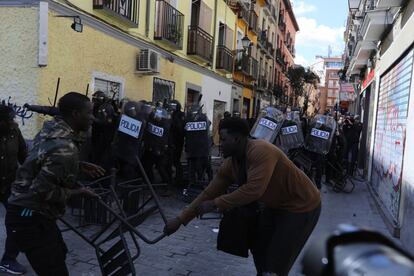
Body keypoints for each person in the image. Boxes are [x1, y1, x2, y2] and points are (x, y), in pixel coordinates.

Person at [164, 117, 321, 276]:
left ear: (237, 138)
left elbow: (253, 190)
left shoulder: (261, 150)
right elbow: (209, 192)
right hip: (275, 206)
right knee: (260, 251)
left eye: (224, 139)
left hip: (302, 206)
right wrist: (181, 219)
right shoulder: (231, 164)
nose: (220, 144)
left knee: (276, 262)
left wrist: (215, 204)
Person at [5, 92, 105, 275]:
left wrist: (78, 166)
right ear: (75, 114)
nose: (93, 118)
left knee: (59, 253)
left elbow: (43, 158)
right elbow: (41, 192)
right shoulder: (65, 148)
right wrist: (79, 192)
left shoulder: (52, 128)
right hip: (28, 215)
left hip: (32, 212)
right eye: (89, 113)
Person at [0, 105, 27, 275]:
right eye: (9, 119)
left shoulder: (15, 132)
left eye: (13, 118)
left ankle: (9, 259)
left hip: (9, 184)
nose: (13, 122)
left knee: (18, 220)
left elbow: (24, 155)